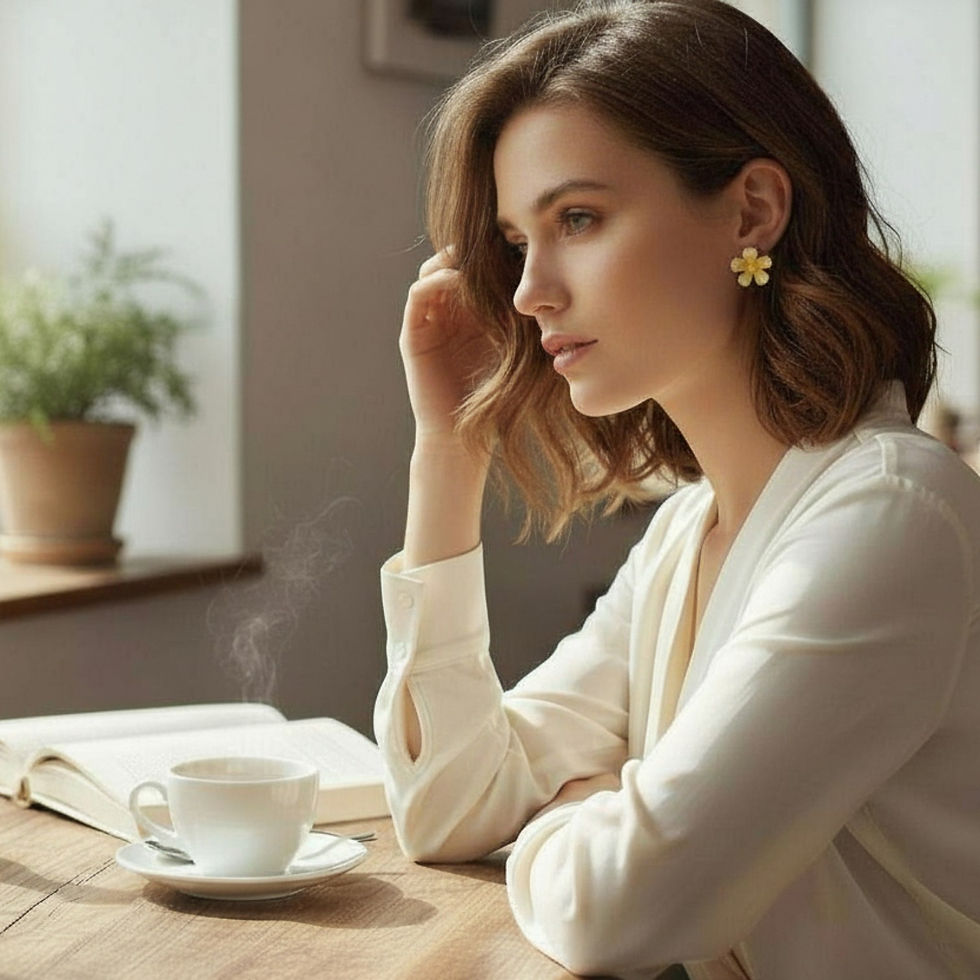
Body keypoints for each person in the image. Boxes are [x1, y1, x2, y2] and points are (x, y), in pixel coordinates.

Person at [373, 1, 980, 977]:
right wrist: (447, 449)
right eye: (517, 239)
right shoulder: (686, 533)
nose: (528, 290)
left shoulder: (889, 513)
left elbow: (627, 911)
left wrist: (574, 813)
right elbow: (448, 807)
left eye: (576, 218)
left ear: (750, 211)